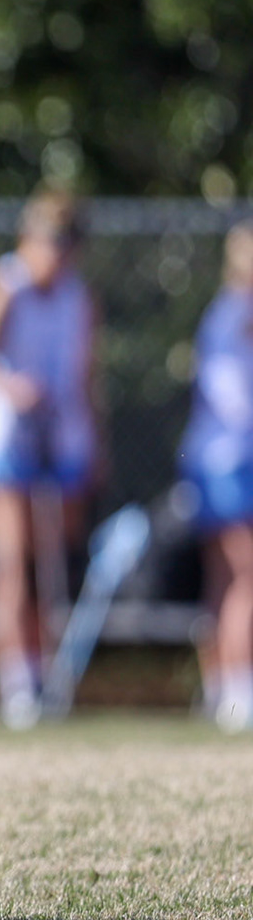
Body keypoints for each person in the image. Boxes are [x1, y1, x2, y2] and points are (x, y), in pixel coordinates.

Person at [0, 189, 100, 729]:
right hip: (4, 441)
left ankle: (47, 677)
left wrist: (92, 443)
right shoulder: (4, 284)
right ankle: (18, 684)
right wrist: (11, 388)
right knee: (12, 561)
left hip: (57, 442)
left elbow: (87, 378)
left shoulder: (78, 297)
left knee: (48, 566)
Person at [180, 221, 253, 733]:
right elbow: (236, 404)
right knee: (245, 576)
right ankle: (237, 692)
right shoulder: (232, 317)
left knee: (225, 581)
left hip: (222, 460)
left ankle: (223, 692)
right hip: (228, 462)